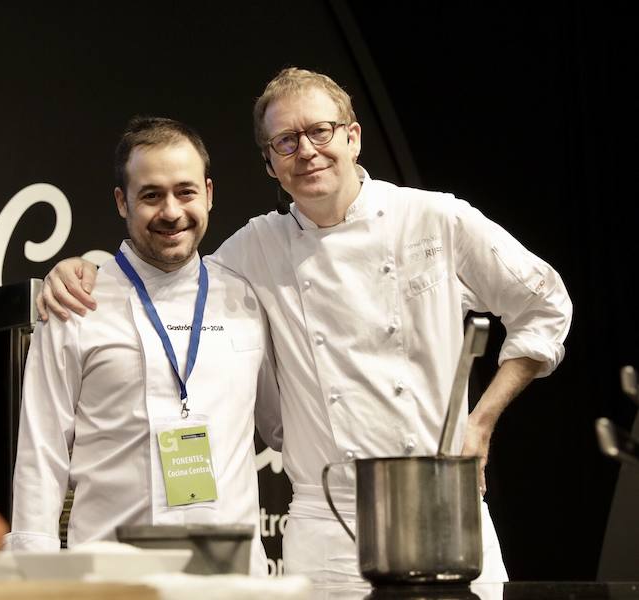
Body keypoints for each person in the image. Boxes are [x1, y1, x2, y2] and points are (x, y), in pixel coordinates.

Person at [37, 68, 573, 584]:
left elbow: (544, 305)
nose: (307, 152)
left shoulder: (434, 219)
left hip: (439, 506)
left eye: (320, 132)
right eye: (286, 142)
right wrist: (84, 271)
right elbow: (169, 275)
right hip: (326, 527)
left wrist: (482, 421)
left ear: (353, 136)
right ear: (270, 163)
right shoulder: (253, 250)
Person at [5, 116, 282, 576]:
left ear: (209, 194)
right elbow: (42, 452)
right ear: (122, 202)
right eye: (151, 195)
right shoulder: (77, 301)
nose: (171, 211)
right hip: (112, 577)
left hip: (231, 580)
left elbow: (282, 426)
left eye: (185, 192)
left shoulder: (246, 298)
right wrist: (34, 579)